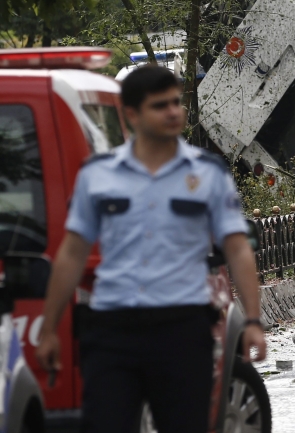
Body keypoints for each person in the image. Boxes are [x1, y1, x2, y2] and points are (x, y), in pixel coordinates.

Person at [35, 66, 267, 433]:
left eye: (176, 102)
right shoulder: (98, 175)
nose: (174, 112)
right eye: (160, 105)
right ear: (132, 114)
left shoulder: (208, 173)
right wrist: (49, 329)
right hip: (112, 333)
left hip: (181, 331)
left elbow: (237, 249)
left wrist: (253, 321)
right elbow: (72, 253)